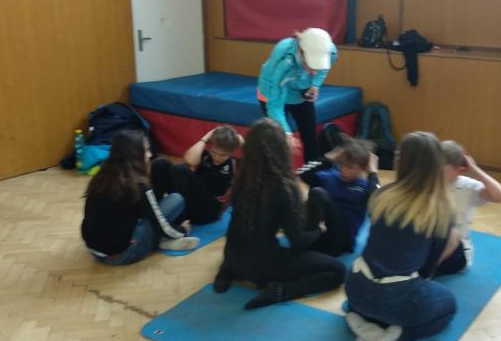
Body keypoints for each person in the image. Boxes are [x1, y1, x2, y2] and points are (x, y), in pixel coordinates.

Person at [212, 118, 346, 309]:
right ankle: (281, 291)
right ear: (280, 149)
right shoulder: (284, 187)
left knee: (248, 246)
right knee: (338, 271)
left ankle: (227, 271)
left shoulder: (243, 175)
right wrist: (317, 229)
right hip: (263, 267)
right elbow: (298, 242)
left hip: (232, 257)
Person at [343, 132, 460, 341]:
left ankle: (360, 316)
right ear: (437, 165)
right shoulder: (441, 209)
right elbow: (428, 268)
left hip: (355, 287)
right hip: (397, 299)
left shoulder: (383, 195)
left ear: (401, 161)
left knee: (376, 297)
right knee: (449, 306)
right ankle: (399, 335)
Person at [81, 130, 199, 265]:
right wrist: (183, 230)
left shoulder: (102, 175)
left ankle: (158, 241)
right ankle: (160, 242)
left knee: (135, 216)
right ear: (134, 155)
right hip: (122, 254)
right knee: (176, 200)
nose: (150, 155)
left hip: (94, 250)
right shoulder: (138, 185)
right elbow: (162, 226)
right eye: (146, 150)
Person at [257, 28, 337, 163]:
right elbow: (275, 104)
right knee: (277, 142)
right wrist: (286, 133)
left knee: (310, 137)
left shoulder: (329, 50)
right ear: (301, 52)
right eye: (310, 65)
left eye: (316, 67)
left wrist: (315, 85)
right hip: (273, 91)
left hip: (298, 90)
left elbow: (324, 69)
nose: (313, 71)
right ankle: (276, 174)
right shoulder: (282, 63)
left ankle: (312, 173)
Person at [298, 137, 380, 256]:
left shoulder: (364, 187)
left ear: (363, 168)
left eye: (350, 167)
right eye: (341, 165)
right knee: (299, 199)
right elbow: (303, 173)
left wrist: (373, 172)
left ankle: (309, 238)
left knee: (318, 193)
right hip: (327, 234)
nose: (344, 170)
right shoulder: (331, 177)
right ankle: (308, 236)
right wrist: (327, 158)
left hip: (343, 240)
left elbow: (378, 199)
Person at [151, 125, 243, 225]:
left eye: (223, 155)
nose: (217, 157)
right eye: (214, 152)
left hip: (209, 210)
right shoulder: (206, 156)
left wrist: (239, 140)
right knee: (160, 163)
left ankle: (178, 223)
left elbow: (253, 155)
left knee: (180, 170)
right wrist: (206, 138)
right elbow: (189, 160)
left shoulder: (235, 163)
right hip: (191, 201)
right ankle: (154, 210)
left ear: (232, 152)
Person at [439, 141, 501, 273]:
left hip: (457, 251)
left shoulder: (467, 186)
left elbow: (500, 196)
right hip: (433, 245)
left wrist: (475, 169)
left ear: (460, 170)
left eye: (441, 171)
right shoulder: (428, 184)